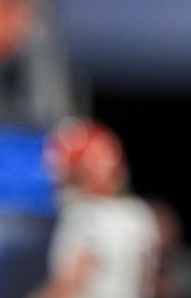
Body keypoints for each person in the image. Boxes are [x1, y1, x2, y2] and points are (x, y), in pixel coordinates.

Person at [30, 117, 159, 298]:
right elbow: (153, 285)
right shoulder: (139, 214)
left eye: (73, 173)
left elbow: (68, 287)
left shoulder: (86, 218)